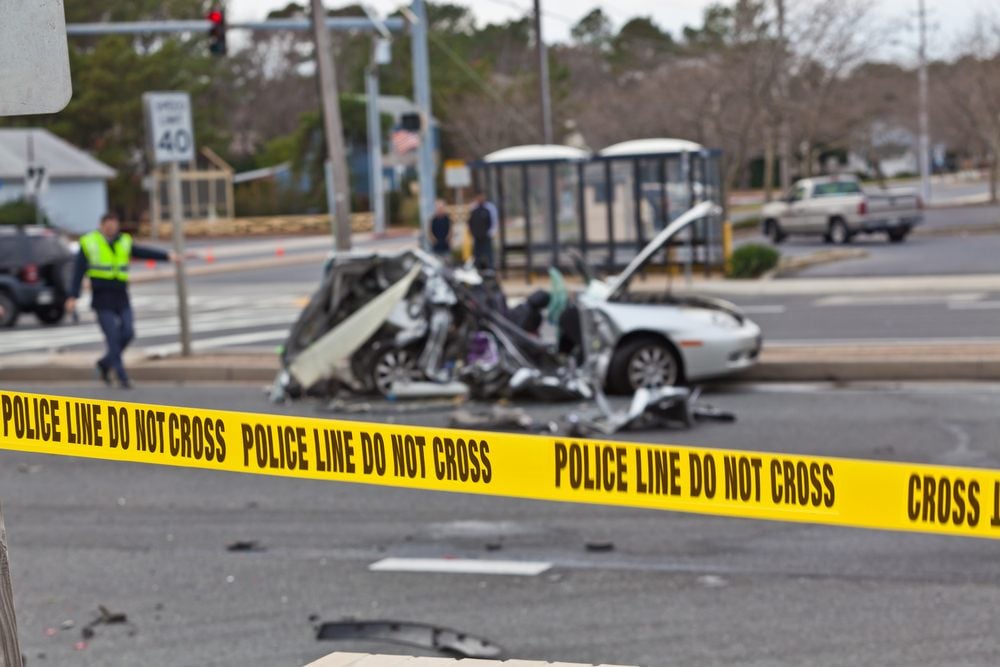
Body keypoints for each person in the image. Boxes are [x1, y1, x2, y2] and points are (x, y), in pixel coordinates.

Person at [65, 212, 181, 388]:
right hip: (102, 297)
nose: (112, 227)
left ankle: (104, 364)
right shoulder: (89, 242)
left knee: (128, 332)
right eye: (108, 223)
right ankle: (122, 376)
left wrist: (167, 256)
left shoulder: (124, 241)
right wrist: (72, 296)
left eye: (114, 223)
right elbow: (78, 271)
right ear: (102, 225)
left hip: (121, 295)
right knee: (112, 337)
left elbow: (142, 252)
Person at [467, 191, 498, 270]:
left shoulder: (489, 207)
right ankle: (477, 269)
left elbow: (494, 221)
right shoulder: (473, 208)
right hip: (477, 236)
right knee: (476, 254)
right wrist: (471, 232)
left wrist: (491, 233)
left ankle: (490, 270)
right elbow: (470, 222)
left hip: (486, 236)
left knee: (488, 254)